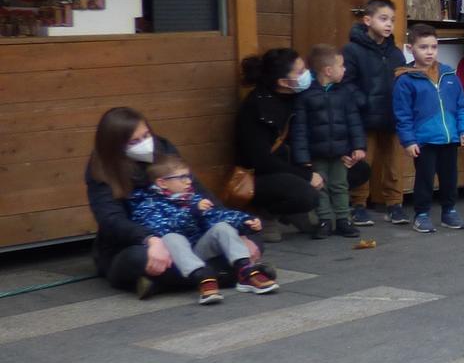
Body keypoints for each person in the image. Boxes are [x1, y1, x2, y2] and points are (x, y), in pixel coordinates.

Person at [86, 107, 265, 296]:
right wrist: (151, 240)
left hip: (187, 237)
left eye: (146, 135)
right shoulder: (102, 170)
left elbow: (199, 193)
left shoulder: (162, 148)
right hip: (134, 243)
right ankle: (232, 273)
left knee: (251, 236)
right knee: (139, 258)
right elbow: (112, 220)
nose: (145, 144)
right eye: (134, 141)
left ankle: (169, 282)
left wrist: (237, 230)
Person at [128, 155, 276, 303]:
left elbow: (217, 214)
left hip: (199, 249)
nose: (188, 181)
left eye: (189, 176)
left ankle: (245, 270)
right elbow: (161, 228)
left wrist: (244, 222)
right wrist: (192, 213)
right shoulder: (148, 204)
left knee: (222, 227)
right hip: (175, 256)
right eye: (182, 177)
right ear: (162, 183)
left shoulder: (192, 198)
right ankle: (203, 278)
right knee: (171, 237)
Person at [393, 23, 464, 232]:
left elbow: (461, 106)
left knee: (450, 177)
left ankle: (449, 210)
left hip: (449, 138)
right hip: (424, 140)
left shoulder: (449, 75)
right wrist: (409, 141)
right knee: (424, 179)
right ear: (410, 48)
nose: (429, 52)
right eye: (423, 47)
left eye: (433, 46)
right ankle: (421, 214)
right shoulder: (405, 79)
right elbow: (403, 115)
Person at [235, 48, 327, 231]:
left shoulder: (295, 95)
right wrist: (307, 176)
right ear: (284, 82)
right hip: (262, 175)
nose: (306, 75)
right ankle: (267, 213)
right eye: (300, 72)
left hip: (291, 161)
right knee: (307, 194)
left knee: (353, 169)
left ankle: (296, 211)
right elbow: (262, 161)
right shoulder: (258, 107)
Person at [342, 0, 409, 225]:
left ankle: (395, 204)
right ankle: (358, 204)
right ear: (367, 20)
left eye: (392, 20)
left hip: (391, 115)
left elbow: (403, 80)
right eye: (383, 19)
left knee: (393, 162)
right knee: (363, 161)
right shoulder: (352, 50)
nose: (389, 24)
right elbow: (347, 82)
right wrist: (363, 102)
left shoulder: (396, 53)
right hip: (364, 117)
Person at [292, 44, 368, 239]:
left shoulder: (344, 93)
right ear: (328, 70)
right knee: (321, 187)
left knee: (339, 184)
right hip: (316, 152)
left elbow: (354, 121)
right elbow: (299, 129)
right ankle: (324, 219)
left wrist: (358, 146)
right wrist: (303, 158)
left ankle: (343, 219)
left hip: (340, 151)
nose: (345, 69)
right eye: (341, 66)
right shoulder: (306, 96)